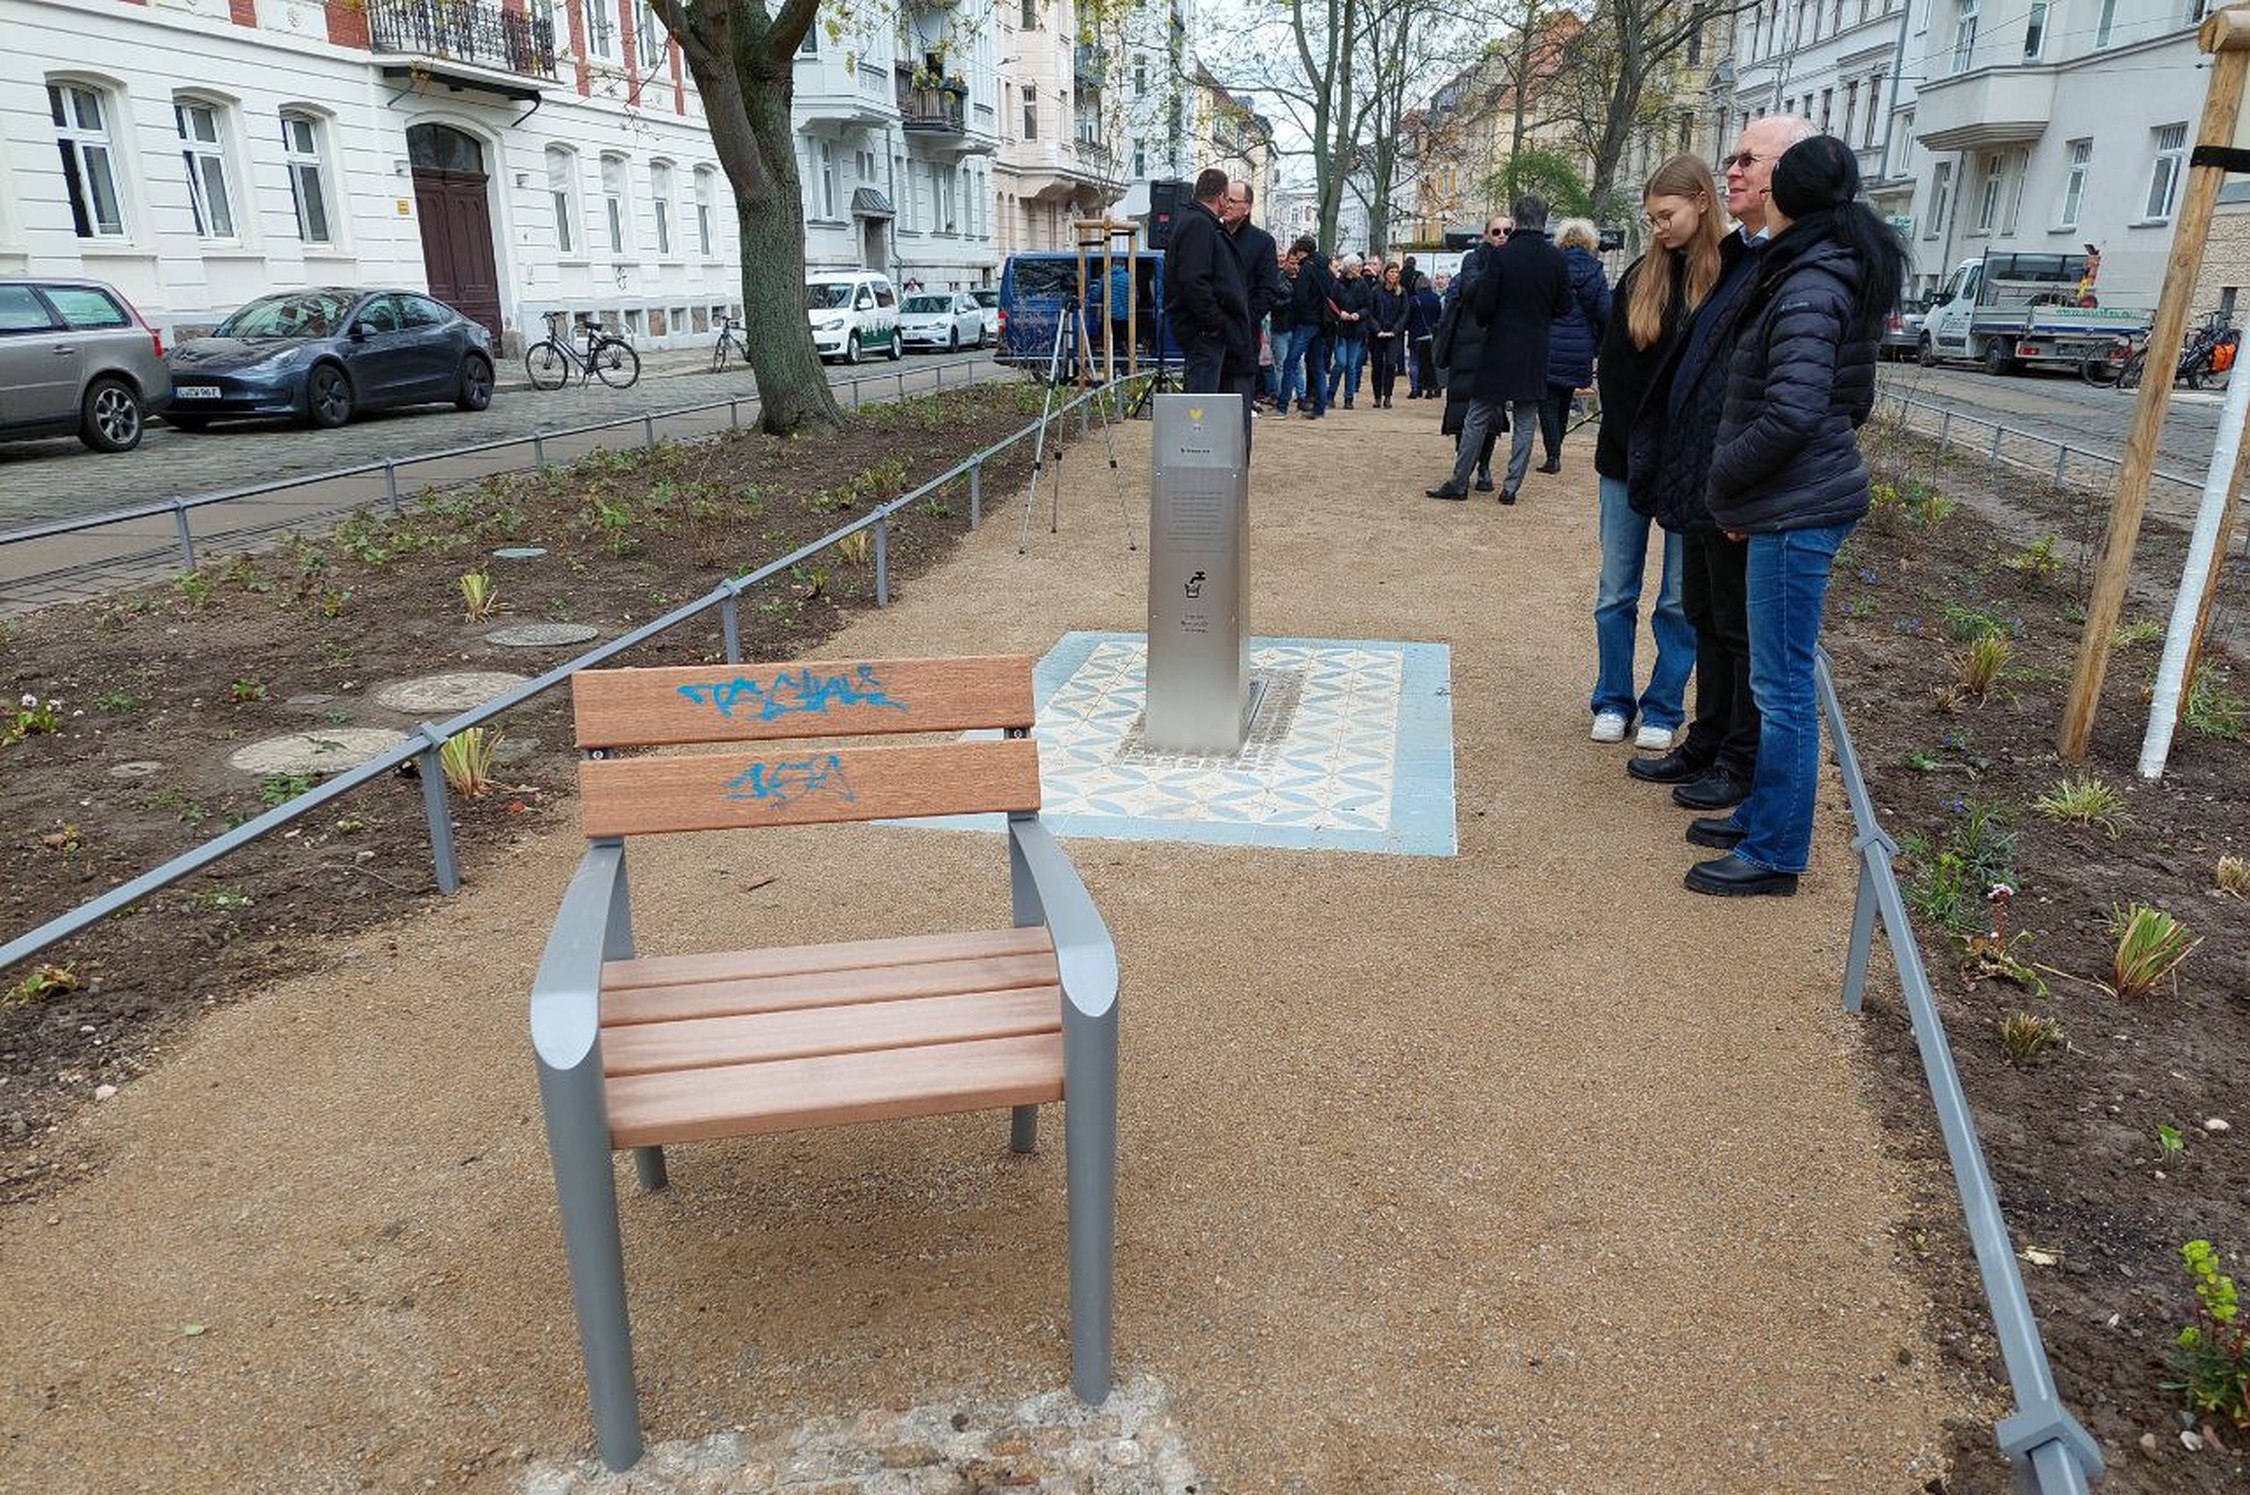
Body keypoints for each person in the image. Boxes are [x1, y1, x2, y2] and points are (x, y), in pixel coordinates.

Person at [1684, 134, 1906, 897]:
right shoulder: (1825, 264)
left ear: (1788, 198)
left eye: (1764, 177)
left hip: (1795, 509)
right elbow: (1853, 399)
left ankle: (1777, 851)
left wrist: (1725, 483)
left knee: (1780, 689)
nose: (1748, 181)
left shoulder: (1811, 279)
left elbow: (1795, 411)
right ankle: (1764, 812)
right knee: (1774, 680)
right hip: (1792, 500)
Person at [1625, 113, 1818, 813]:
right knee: (1707, 614)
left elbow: (1794, 396)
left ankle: (1738, 757)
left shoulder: (1790, 263)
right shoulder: (1748, 257)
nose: (1730, 170)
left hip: (1738, 481)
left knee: (1738, 628)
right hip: (1705, 474)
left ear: (1790, 174)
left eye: (1746, 160)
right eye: (1730, 159)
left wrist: (1740, 481)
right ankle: (1709, 739)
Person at [1589, 157, 1716, 753]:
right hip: (1625, 457)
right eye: (1652, 218)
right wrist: (1630, 440)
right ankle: (1612, 698)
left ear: (1702, 202)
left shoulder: (1726, 279)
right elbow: (1614, 371)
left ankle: (1664, 704)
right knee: (1617, 588)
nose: (1659, 227)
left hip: (1693, 463)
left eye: (1667, 215)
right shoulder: (1641, 276)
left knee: (1677, 596)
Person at [1428, 196, 1568, 504]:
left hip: (1499, 343)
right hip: (1534, 346)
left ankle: (1460, 480)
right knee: (1525, 419)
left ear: (1516, 221)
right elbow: (1563, 306)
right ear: (1544, 220)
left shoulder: (1501, 257)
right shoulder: (1556, 259)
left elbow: (1483, 305)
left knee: (1477, 414)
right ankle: (1510, 487)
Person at [1161, 166, 1256, 444]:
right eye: (1228, 198)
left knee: (1204, 408)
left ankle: (1202, 467)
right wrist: (1215, 323)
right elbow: (1194, 281)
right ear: (1220, 196)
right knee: (1199, 413)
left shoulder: (1197, 222)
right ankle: (1196, 469)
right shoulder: (1199, 224)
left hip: (1207, 331)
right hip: (1204, 333)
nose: (1228, 204)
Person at [1540, 219, 1611, 476]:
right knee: (1564, 399)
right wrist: (1600, 344)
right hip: (1580, 343)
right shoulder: (1595, 271)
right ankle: (1555, 450)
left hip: (1550, 341)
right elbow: (1605, 311)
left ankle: (1553, 454)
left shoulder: (1551, 268)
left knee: (1547, 400)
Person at [1431, 238, 1500, 493]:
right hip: (1466, 343)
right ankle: (1465, 468)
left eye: (1507, 231)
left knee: (1491, 413)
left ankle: (1484, 467)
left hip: (1493, 345)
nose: (1502, 235)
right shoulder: (1474, 261)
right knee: (1462, 410)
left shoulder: (1507, 263)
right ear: (1487, 234)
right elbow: (1468, 291)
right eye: (1496, 231)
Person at [1224, 179, 1289, 410]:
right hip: (1210, 337)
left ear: (1247, 207)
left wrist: (1244, 319)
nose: (1227, 205)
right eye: (1225, 199)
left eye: (1233, 200)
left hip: (1242, 338)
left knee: (1239, 409)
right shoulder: (1213, 234)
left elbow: (1267, 290)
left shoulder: (1262, 242)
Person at [1280, 235, 1339, 419]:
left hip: (1306, 322)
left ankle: (1282, 406)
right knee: (1318, 366)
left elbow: (1300, 298)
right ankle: (1320, 409)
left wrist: (1295, 316)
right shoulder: (1326, 269)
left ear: (1302, 251)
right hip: (1322, 323)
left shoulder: (1306, 269)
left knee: (1290, 363)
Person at [1326, 253, 1372, 408]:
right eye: (1354, 267)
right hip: (1341, 328)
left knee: (1351, 365)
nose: (1357, 269)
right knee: (1340, 362)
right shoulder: (1337, 284)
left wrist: (1358, 315)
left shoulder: (1362, 284)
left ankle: (1349, 397)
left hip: (1356, 329)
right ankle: (1330, 394)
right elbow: (1331, 304)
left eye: (1358, 266)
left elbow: (1368, 306)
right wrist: (1341, 314)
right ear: (1347, 268)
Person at [1369, 262, 1410, 408]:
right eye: (1391, 272)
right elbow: (1370, 312)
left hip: (1394, 334)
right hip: (1378, 335)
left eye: (1396, 272)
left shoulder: (1402, 292)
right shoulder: (1376, 291)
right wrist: (1377, 330)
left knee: (1391, 365)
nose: (1394, 275)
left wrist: (1396, 329)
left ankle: (1388, 396)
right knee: (1377, 366)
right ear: (1385, 274)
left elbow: (1405, 313)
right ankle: (1377, 396)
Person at [1406, 269, 1442, 398]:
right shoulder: (1436, 299)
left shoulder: (1413, 300)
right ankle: (1430, 390)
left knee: (1414, 363)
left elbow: (1407, 319)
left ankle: (1415, 389)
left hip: (1415, 336)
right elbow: (1439, 318)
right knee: (1430, 363)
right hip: (1431, 336)